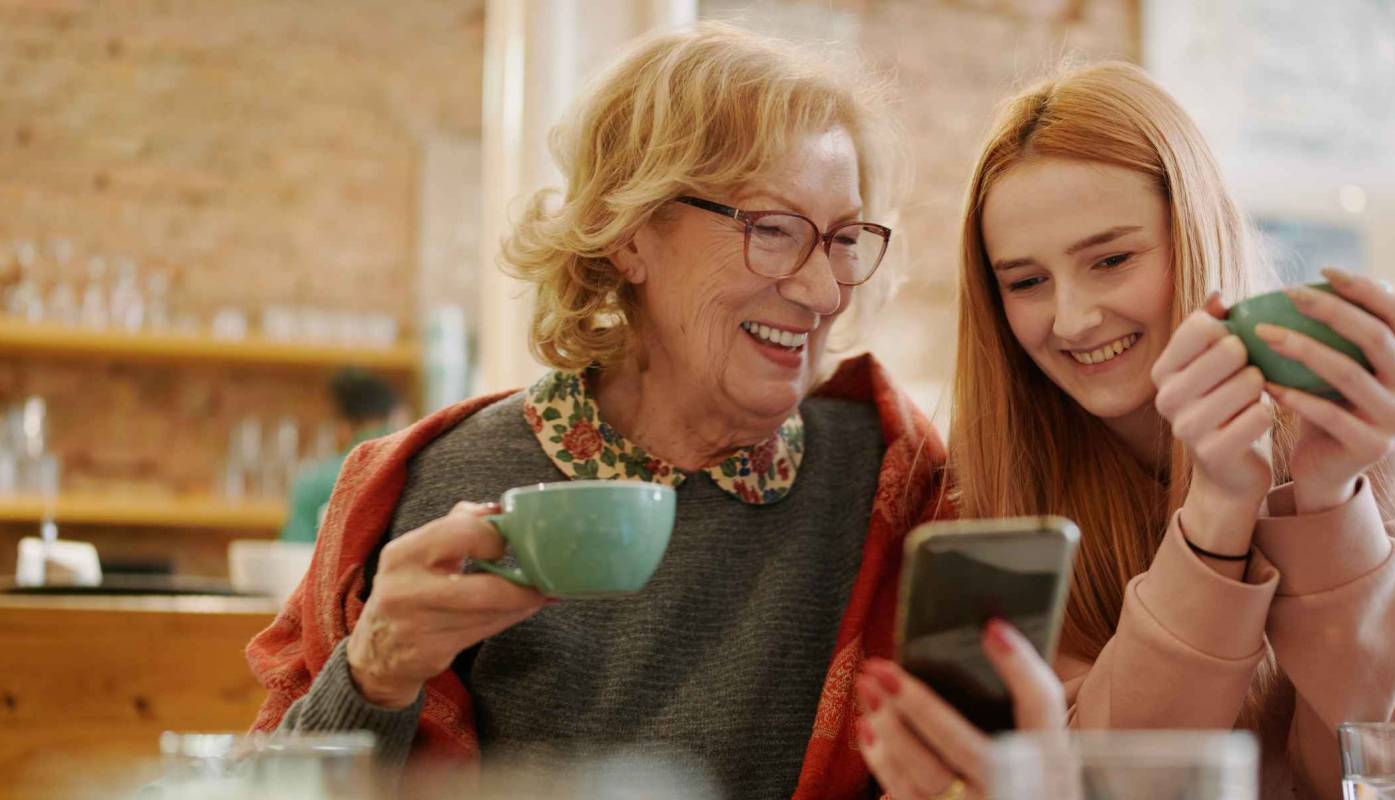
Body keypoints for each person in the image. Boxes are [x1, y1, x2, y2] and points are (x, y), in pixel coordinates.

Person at [245, 23, 1060, 799]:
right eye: (773, 230)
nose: (821, 292)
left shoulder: (889, 475)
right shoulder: (437, 483)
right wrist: (375, 670)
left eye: (842, 240)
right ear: (630, 235)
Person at [856, 63, 1395, 800]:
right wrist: (1215, 513)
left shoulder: (1347, 440)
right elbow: (1096, 788)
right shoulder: (997, 481)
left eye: (1111, 260)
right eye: (1027, 281)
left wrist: (1327, 500)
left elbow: (1391, 777)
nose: (1072, 319)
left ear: (1196, 233)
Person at [279, 368, 401, 543]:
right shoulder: (413, 467)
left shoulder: (315, 483)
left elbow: (294, 553)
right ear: (392, 416)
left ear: (342, 425)